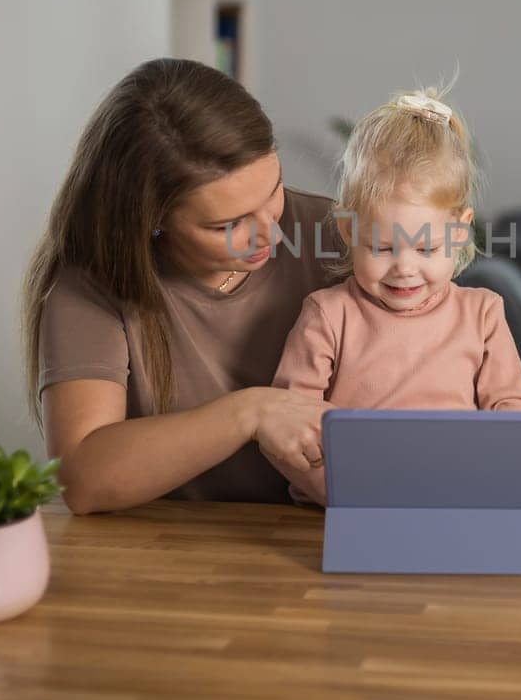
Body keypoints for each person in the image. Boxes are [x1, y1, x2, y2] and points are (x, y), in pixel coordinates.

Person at [24, 58, 340, 514]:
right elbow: (82, 477)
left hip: (320, 537)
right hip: (174, 551)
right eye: (227, 224)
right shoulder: (92, 286)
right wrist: (249, 413)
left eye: (274, 192)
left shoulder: (340, 237)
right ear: (151, 221)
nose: (270, 233)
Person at [273, 88, 521, 503]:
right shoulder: (328, 315)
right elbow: (288, 425)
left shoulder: (483, 314)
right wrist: (341, 488)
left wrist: (501, 453)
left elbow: (514, 406)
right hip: (346, 505)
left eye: (426, 249)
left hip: (458, 499)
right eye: (382, 248)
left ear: (459, 230)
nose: (404, 268)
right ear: (348, 231)